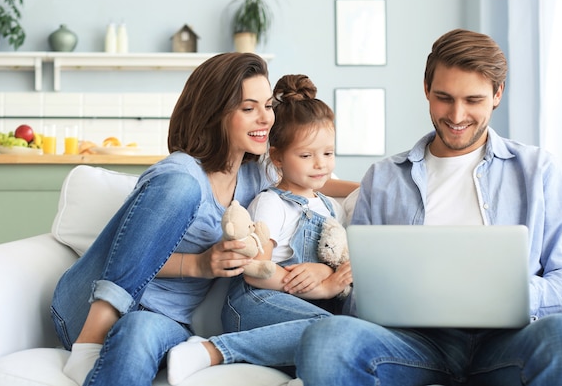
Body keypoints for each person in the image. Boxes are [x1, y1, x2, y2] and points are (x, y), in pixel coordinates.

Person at [295, 29, 562, 385]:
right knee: (326, 341)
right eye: (444, 98)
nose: (457, 115)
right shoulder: (383, 179)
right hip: (413, 342)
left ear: (497, 95)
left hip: (512, 340)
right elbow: (358, 292)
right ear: (426, 90)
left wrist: (519, 293)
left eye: (473, 100)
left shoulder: (539, 171)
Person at [51, 54, 355, 386]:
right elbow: (124, 253)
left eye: (267, 106)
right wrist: (199, 266)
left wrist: (367, 184)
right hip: (86, 306)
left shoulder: (257, 174)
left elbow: (312, 174)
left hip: (162, 319)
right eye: (248, 108)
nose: (265, 119)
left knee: (138, 332)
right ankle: (89, 344)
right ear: (216, 113)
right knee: (179, 187)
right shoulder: (181, 173)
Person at [166, 74, 354, 385]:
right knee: (330, 330)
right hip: (254, 303)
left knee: (346, 334)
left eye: (328, 154)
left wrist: (326, 272)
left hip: (296, 311)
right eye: (306, 156)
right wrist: (324, 287)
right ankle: (212, 350)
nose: (320, 164)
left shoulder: (330, 207)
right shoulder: (271, 202)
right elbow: (255, 271)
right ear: (277, 157)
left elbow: (336, 261)